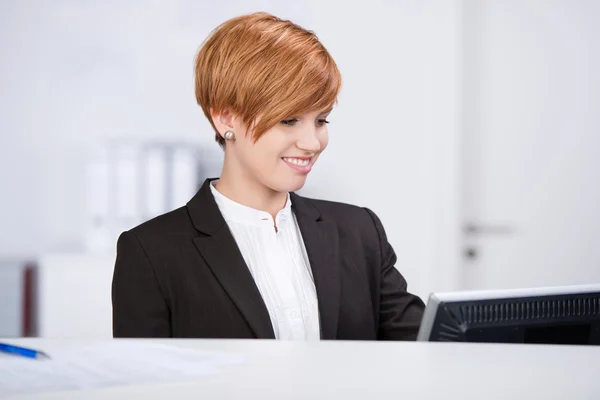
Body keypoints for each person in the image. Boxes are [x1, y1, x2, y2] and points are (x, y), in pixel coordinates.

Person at [111, 12, 425, 340]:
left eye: (321, 120)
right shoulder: (151, 252)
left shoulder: (360, 233)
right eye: (289, 120)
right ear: (226, 118)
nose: (312, 142)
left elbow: (427, 345)